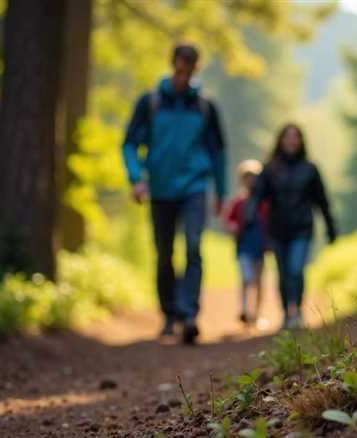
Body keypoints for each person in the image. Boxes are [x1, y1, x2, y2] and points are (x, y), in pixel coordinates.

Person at [121, 44, 227, 344]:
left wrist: (220, 191)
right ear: (173, 66)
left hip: (195, 186)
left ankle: (189, 314)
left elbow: (218, 152)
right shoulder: (151, 102)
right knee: (164, 252)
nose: (184, 76)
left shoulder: (205, 107)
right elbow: (129, 143)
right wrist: (136, 179)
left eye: (190, 71)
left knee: (194, 247)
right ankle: (169, 314)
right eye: (180, 69)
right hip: (161, 188)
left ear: (196, 70)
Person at [245, 124, 337, 329]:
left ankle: (298, 311)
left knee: (296, 269)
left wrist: (331, 227)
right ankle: (287, 313)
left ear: (301, 141)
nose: (292, 140)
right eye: (288, 136)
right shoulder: (270, 169)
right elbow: (257, 195)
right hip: (277, 230)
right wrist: (249, 214)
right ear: (281, 140)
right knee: (283, 272)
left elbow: (322, 201)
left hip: (302, 228)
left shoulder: (310, 169)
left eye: (296, 137)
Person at [223, 160, 269, 328]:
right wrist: (232, 227)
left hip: (260, 248)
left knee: (258, 281)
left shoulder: (264, 203)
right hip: (243, 247)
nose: (251, 181)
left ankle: (256, 314)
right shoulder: (237, 203)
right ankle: (243, 311)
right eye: (247, 178)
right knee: (246, 278)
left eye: (254, 178)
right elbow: (227, 220)